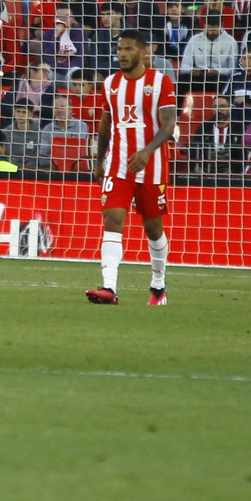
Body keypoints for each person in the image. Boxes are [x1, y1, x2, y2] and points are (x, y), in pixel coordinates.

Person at [87, 30, 177, 307]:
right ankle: (109, 288)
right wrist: (99, 160)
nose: (122, 54)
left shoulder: (161, 82)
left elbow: (169, 124)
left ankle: (158, 286)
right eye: (119, 50)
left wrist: (148, 151)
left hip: (152, 167)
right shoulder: (111, 83)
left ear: (143, 51)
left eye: (128, 49)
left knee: (153, 228)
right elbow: (105, 124)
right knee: (112, 220)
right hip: (118, 166)